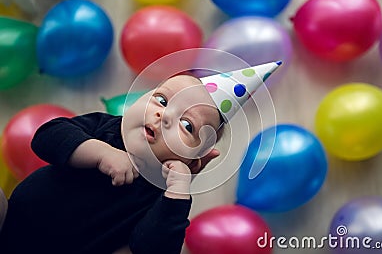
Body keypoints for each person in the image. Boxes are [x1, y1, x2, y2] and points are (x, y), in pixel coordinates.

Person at [0, 61, 281, 254]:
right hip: (11, 219)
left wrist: (179, 191)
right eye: (162, 100)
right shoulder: (107, 129)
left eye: (187, 125)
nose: (165, 116)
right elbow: (45, 137)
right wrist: (100, 154)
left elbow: (151, 247)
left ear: (193, 161)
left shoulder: (162, 197)